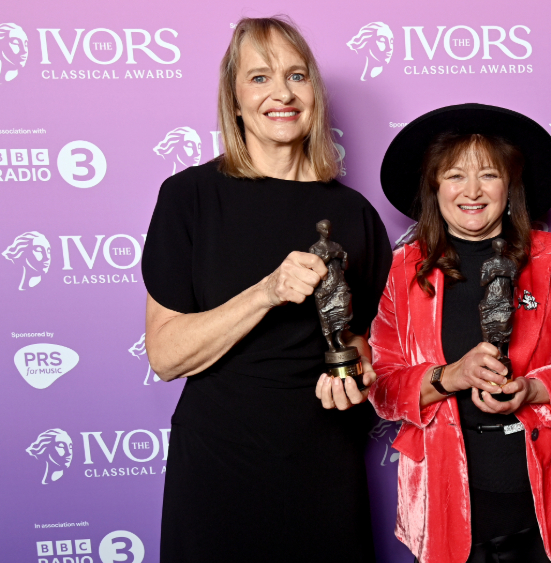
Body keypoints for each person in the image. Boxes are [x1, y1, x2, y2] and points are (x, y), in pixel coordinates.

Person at [141, 16, 392, 562]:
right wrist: (267, 291)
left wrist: (360, 370)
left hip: (325, 464)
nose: (281, 93)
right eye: (259, 78)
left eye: (296, 76)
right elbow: (164, 355)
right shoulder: (190, 198)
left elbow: (362, 341)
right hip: (219, 468)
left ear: (315, 94)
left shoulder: (355, 214)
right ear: (234, 100)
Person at [369, 103, 551, 563]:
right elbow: (382, 385)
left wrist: (534, 387)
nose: (473, 191)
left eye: (489, 175)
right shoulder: (401, 272)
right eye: (455, 175)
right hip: (446, 506)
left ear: (511, 185)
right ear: (434, 186)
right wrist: (449, 377)